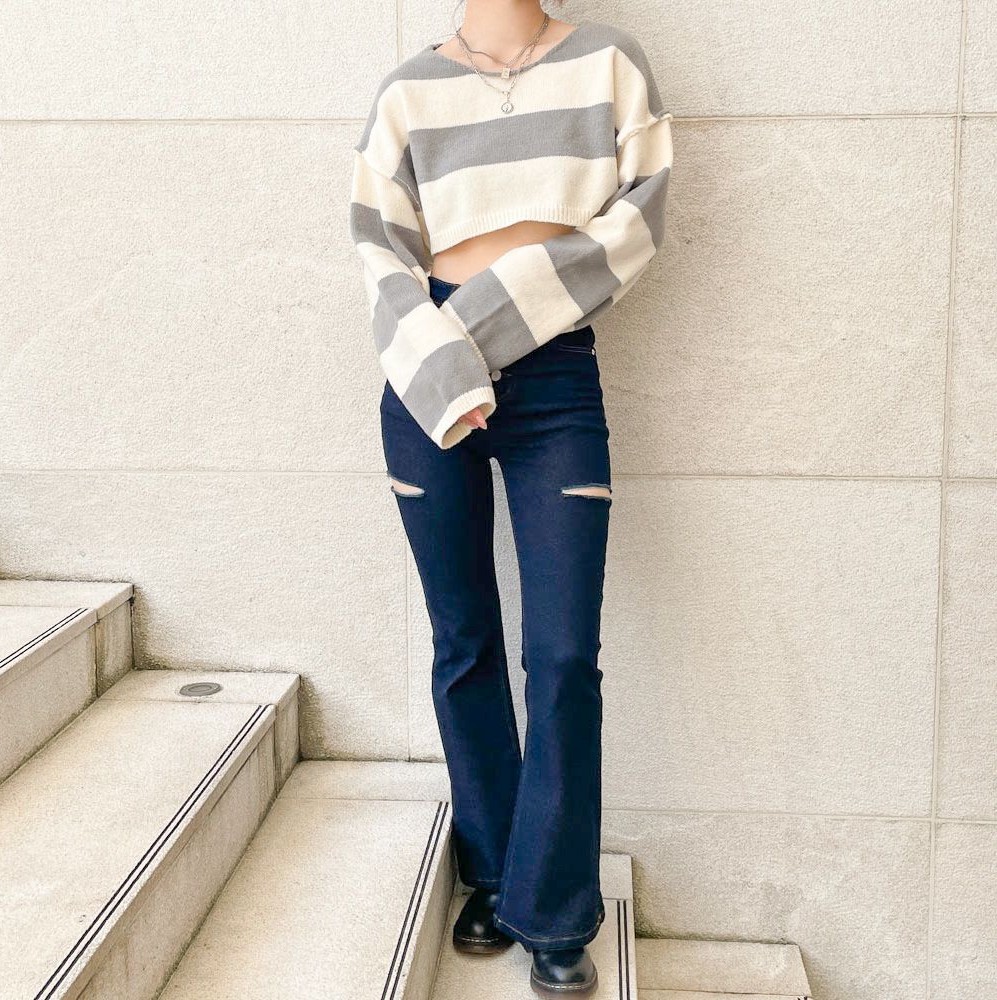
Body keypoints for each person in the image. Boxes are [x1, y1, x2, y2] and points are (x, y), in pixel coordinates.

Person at [348, 1, 673, 994]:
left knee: (564, 656)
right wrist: (446, 360)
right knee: (464, 643)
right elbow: (377, 248)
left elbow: (639, 219)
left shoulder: (609, 61)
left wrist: (484, 324)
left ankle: (556, 906)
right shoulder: (407, 90)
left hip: (553, 376)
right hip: (424, 374)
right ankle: (491, 874)